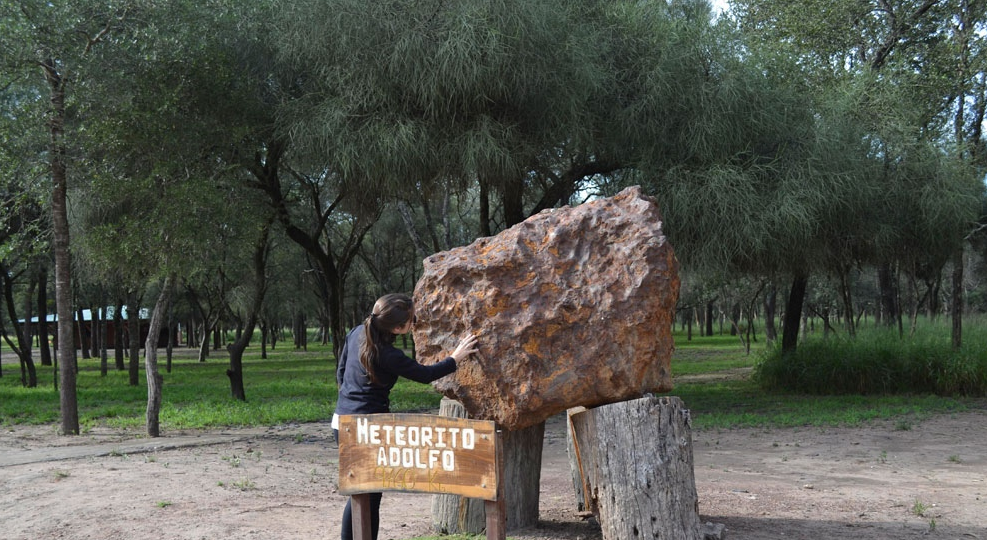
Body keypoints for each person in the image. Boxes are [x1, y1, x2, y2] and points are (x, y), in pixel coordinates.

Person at [331, 293, 478, 540]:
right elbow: (425, 375)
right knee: (369, 495)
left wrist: (350, 399)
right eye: (412, 320)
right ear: (398, 328)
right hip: (365, 429)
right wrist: (456, 357)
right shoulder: (388, 354)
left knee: (361, 492)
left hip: (341, 421)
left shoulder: (357, 332)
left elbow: (341, 370)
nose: (415, 322)